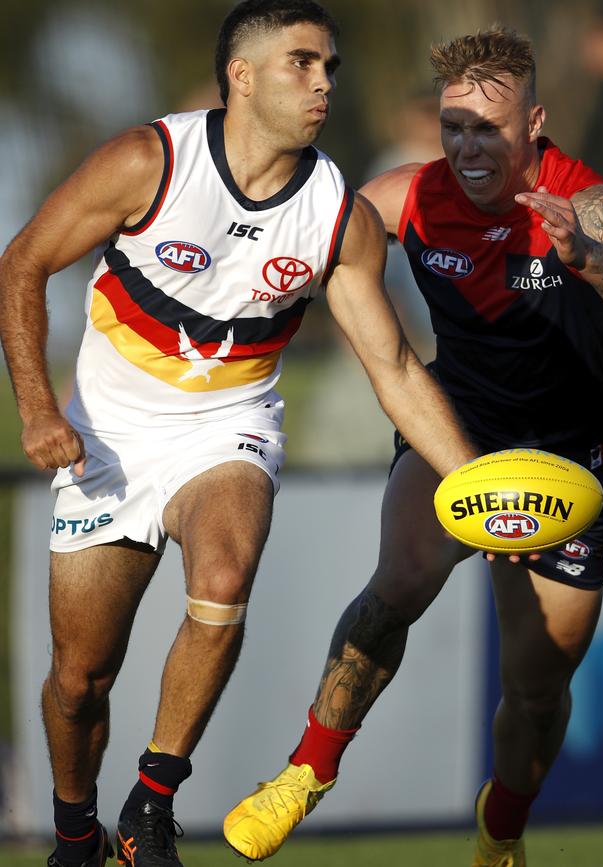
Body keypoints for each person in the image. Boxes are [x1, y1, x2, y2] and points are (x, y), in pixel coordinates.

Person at [0, 2, 479, 866]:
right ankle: (76, 830)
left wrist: (477, 489)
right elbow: (23, 260)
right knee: (79, 684)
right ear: (242, 76)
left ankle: (152, 803)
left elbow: (398, 371)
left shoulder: (339, 213)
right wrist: (37, 407)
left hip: (230, 426)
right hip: (108, 436)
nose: (325, 82)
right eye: (303, 63)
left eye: (330, 65)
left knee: (223, 573)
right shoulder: (151, 161)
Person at [222, 26, 603, 867]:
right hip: (454, 430)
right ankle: (307, 771)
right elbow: (309, 233)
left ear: (534, 124)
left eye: (487, 128)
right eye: (454, 127)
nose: (466, 146)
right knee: (397, 586)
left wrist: (588, 257)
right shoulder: (411, 195)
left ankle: (502, 830)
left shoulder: (586, 202)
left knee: (536, 690)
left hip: (567, 466)